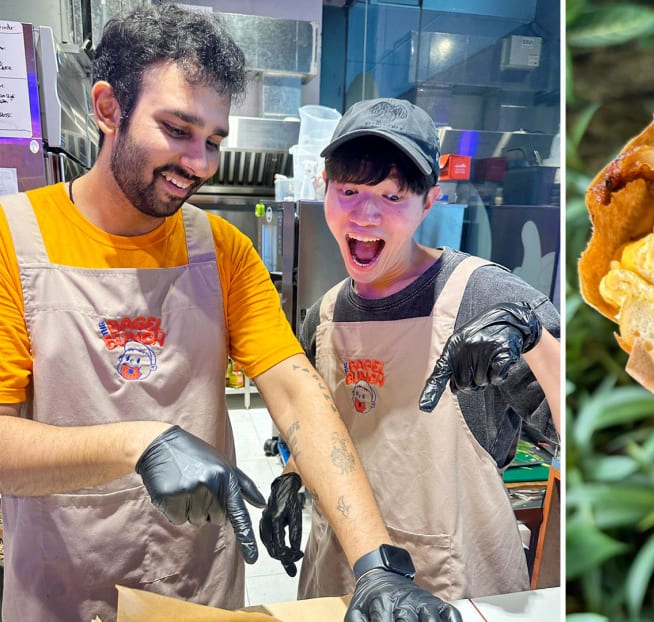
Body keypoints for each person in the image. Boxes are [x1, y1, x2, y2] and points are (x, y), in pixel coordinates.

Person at [0, 6, 458, 622]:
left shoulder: (221, 251)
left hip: (197, 592)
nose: (201, 163)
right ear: (108, 108)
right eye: (178, 129)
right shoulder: (15, 242)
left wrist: (376, 562)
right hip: (62, 590)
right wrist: (141, 443)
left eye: (214, 140)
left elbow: (296, 395)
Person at [259, 97, 561, 601]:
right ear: (324, 189)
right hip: (342, 576)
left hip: (451, 583)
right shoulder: (325, 314)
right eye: (349, 190)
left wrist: (533, 339)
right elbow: (325, 427)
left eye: (393, 196)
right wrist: (293, 474)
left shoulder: (487, 298)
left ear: (429, 201)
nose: (365, 213)